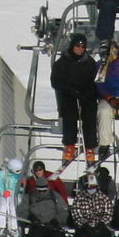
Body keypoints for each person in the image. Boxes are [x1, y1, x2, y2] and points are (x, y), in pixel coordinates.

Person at [51, 35, 100, 165]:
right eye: (77, 46)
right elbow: (55, 81)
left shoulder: (90, 63)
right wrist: (69, 90)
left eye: (82, 46)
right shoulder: (62, 63)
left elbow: (94, 81)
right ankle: (69, 145)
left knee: (90, 114)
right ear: (72, 46)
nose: (80, 49)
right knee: (69, 114)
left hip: (85, 96)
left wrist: (87, 91)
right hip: (69, 95)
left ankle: (90, 147)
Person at [18, 162, 70, 237]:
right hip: (38, 226)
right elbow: (21, 210)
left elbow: (63, 210)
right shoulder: (30, 196)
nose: (42, 192)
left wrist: (57, 221)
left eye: (44, 190)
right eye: (39, 190)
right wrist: (30, 218)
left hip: (53, 226)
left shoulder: (54, 195)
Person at [68, 172, 115, 237]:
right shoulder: (79, 198)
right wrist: (84, 225)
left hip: (100, 227)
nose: (91, 189)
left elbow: (108, 212)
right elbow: (76, 213)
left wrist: (102, 224)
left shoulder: (103, 198)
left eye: (93, 187)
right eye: (89, 187)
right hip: (85, 228)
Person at [95, 41, 119, 158]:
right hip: (108, 98)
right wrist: (108, 97)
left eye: (115, 50)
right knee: (103, 112)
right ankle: (104, 144)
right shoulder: (100, 66)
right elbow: (98, 85)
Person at [0, 156, 23, 237]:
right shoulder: (1, 175)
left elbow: (20, 187)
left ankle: (13, 228)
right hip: (1, 195)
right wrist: (3, 192)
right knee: (3, 206)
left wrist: (17, 191)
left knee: (12, 207)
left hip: (13, 195)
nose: (17, 173)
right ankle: (0, 226)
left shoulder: (18, 176)